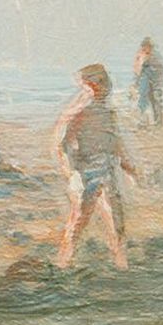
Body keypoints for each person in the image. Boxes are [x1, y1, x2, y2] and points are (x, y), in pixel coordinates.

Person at [54, 64, 139, 270]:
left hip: (107, 170)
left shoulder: (108, 113)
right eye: (99, 82)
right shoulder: (79, 112)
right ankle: (63, 263)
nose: (105, 87)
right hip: (86, 172)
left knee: (116, 220)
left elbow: (115, 143)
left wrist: (129, 166)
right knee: (78, 220)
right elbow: (62, 144)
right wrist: (72, 172)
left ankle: (122, 264)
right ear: (89, 85)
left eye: (105, 82)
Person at [133, 38, 163, 127]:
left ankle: (157, 121)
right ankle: (143, 121)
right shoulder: (140, 56)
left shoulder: (156, 57)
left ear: (150, 47)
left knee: (156, 100)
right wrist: (136, 83)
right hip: (145, 83)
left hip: (155, 83)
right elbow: (137, 71)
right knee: (143, 100)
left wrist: (160, 83)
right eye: (143, 47)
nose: (145, 49)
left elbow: (161, 70)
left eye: (147, 47)